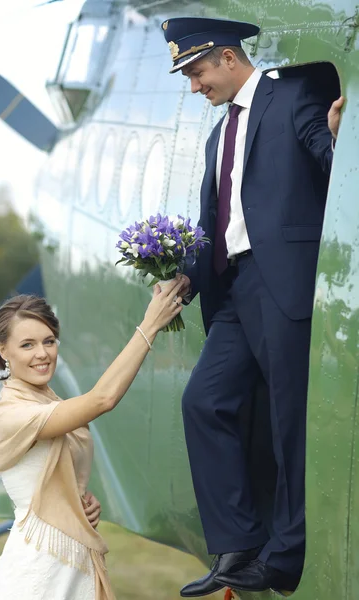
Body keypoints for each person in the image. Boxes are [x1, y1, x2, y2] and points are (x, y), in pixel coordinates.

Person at [161, 16, 345, 597]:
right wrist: (184, 279)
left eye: (195, 71)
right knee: (203, 401)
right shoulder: (220, 134)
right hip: (235, 287)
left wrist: (339, 138)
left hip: (283, 279)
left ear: (225, 57)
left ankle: (285, 555)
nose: (194, 86)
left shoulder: (293, 94)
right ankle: (237, 546)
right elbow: (219, 222)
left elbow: (327, 160)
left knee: (290, 420)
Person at [0, 283, 184, 600]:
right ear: (4, 350)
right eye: (28, 345)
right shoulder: (13, 415)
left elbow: (54, 474)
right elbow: (102, 399)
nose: (42, 353)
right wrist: (150, 325)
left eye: (49, 341)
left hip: (71, 563)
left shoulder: (46, 400)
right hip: (40, 570)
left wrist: (75, 501)